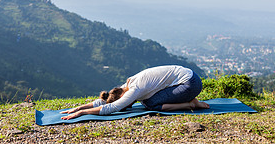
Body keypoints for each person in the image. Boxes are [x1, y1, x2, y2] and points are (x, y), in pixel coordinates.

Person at [61, 65, 209, 120]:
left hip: (190, 84)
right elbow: (107, 101)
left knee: (151, 104)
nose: (128, 105)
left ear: (123, 97)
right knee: (147, 100)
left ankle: (191, 103)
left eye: (125, 104)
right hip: (187, 75)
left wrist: (82, 113)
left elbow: (111, 108)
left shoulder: (134, 90)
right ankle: (190, 101)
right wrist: (80, 107)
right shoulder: (126, 84)